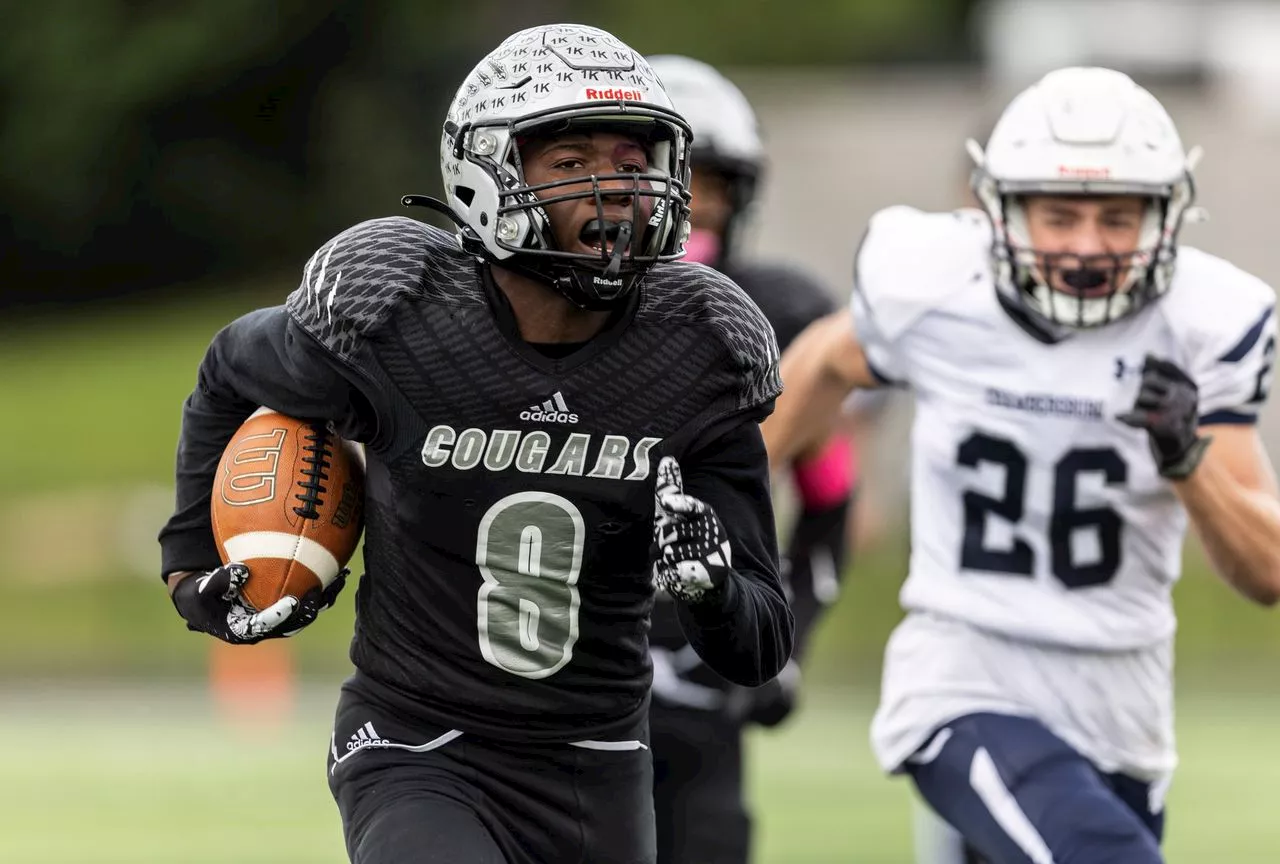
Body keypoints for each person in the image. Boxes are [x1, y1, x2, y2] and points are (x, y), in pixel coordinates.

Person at [157, 23, 794, 864]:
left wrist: (709, 589)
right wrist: (192, 564)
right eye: (571, 165)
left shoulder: (698, 346)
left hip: (597, 760)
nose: (615, 190)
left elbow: (758, 646)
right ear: (487, 172)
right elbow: (229, 371)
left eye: (635, 164)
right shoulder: (399, 311)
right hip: (416, 740)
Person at [762, 66, 1280, 863]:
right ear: (999, 210)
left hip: (1121, 697)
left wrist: (1188, 460)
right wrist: (708, 486)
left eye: (1116, 217)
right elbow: (828, 361)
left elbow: (1265, 570)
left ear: (1166, 216)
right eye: (1060, 214)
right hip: (965, 675)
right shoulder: (936, 286)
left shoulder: (1204, 322)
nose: (1084, 246)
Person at [642, 54, 857, 864]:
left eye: (709, 185)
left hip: (699, 673)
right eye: (663, 179)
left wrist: (785, 648)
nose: (686, 207)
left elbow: (829, 495)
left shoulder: (771, 317)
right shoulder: (533, 317)